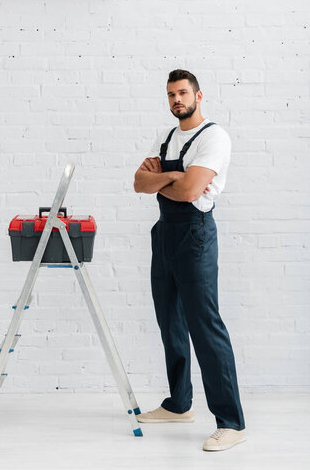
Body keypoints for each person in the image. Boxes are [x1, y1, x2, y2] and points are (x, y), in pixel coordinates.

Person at [133, 69, 246, 452]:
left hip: (195, 234)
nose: (176, 100)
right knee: (170, 321)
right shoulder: (166, 137)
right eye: (170, 95)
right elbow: (138, 182)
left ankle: (231, 422)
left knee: (205, 326)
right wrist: (174, 176)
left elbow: (190, 191)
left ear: (199, 95)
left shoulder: (214, 136)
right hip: (164, 233)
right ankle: (179, 404)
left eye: (182, 93)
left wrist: (167, 177)